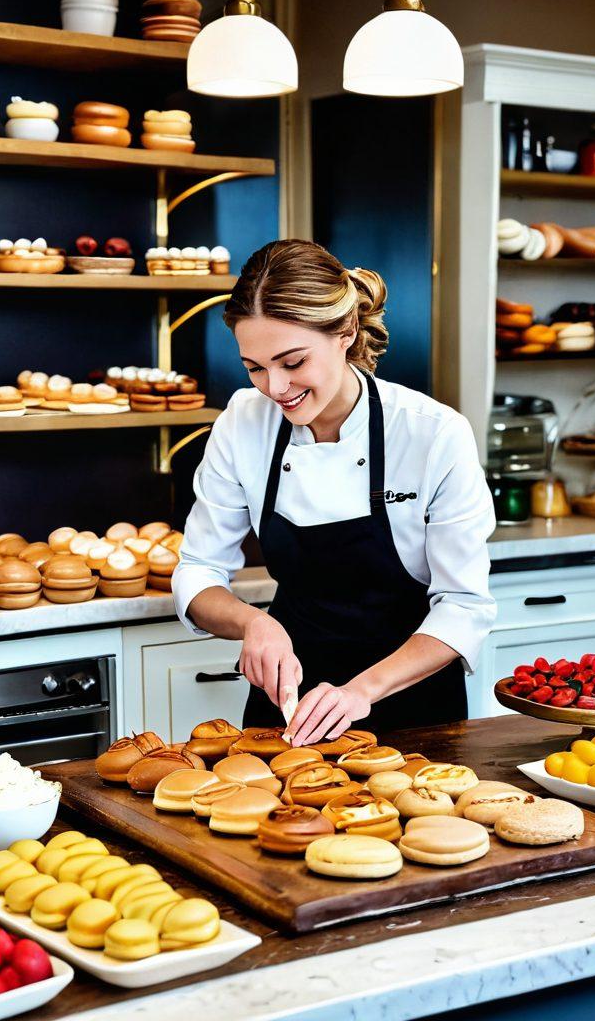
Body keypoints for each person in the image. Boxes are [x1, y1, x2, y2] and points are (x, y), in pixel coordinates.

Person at [172, 239, 496, 746]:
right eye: (255, 367)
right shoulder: (243, 422)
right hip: (287, 704)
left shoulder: (432, 434)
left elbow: (464, 605)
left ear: (345, 333)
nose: (275, 388)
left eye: (293, 361)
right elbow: (198, 571)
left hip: (412, 702)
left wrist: (359, 692)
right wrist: (253, 622)